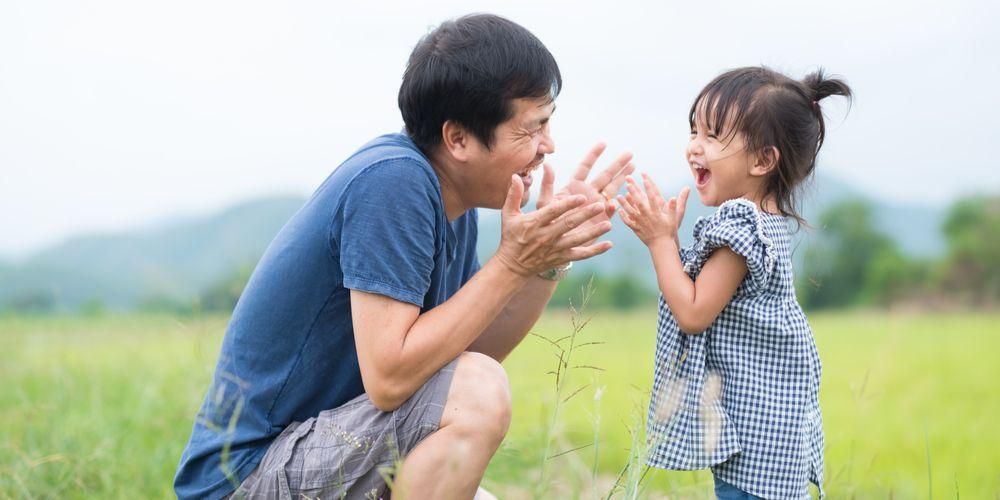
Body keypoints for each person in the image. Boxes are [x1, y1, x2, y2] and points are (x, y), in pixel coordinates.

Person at [172, 13, 635, 500]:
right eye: (531, 128)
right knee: (479, 393)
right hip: (248, 478)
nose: (548, 145)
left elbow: (467, 358)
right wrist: (512, 263)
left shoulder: (456, 203)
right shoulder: (394, 183)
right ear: (458, 139)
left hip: (329, 451)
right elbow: (393, 379)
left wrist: (545, 260)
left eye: (548, 123)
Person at [617, 66, 852, 499]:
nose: (694, 147)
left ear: (763, 160)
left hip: (757, 435)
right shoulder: (769, 222)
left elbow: (692, 311)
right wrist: (669, 239)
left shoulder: (741, 223)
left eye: (713, 135)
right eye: (694, 131)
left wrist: (658, 243)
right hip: (775, 429)